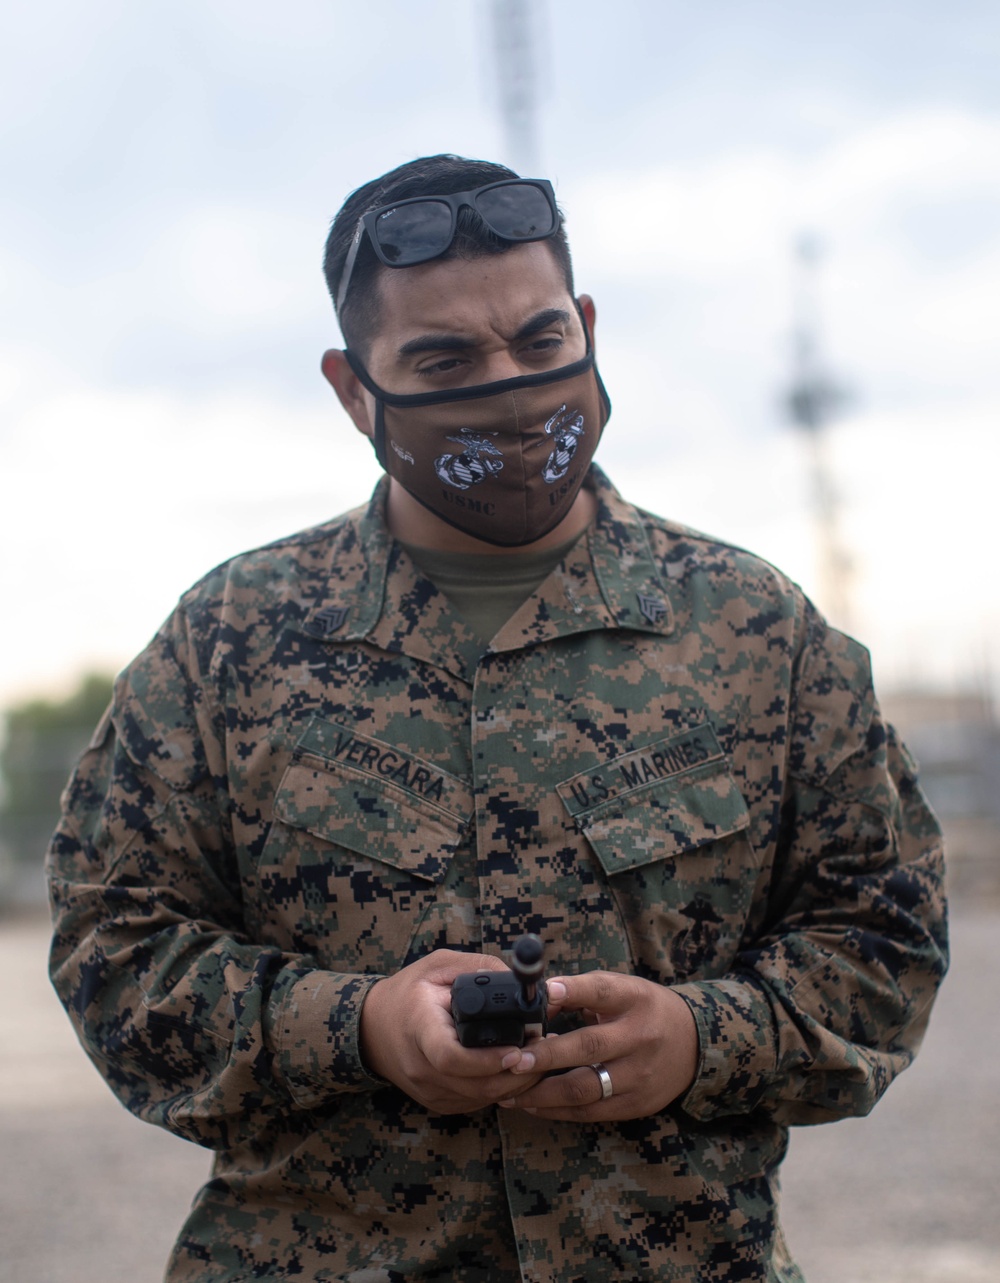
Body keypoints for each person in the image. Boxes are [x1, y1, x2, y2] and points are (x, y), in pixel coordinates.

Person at [46, 154, 948, 1283]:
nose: (510, 385)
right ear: (352, 389)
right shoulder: (228, 637)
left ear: (585, 327)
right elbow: (112, 944)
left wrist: (699, 1038)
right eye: (443, 358)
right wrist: (358, 1025)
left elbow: (885, 933)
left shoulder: (758, 631)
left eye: (538, 342)